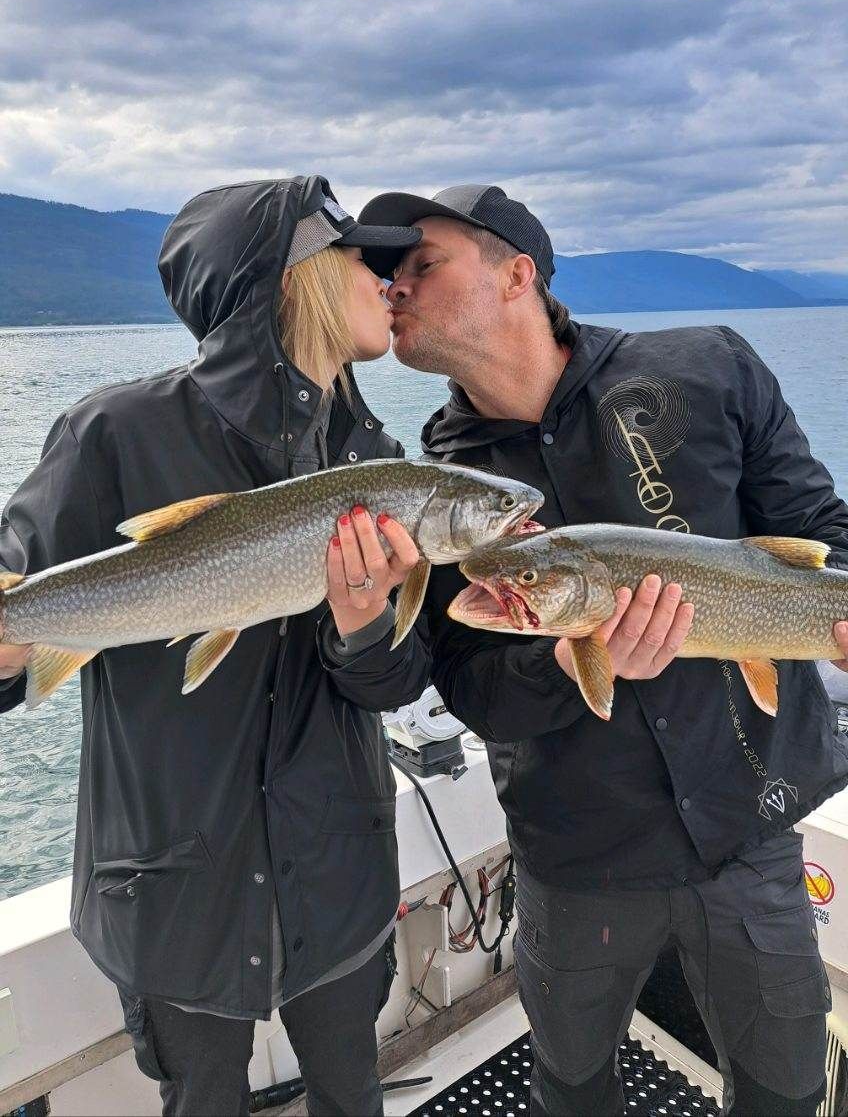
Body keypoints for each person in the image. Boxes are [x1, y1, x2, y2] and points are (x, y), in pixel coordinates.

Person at [358, 183, 848, 1115]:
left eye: (421, 265)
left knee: (786, 1090)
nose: (394, 288)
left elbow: (819, 529)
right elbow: (469, 686)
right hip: (574, 856)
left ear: (518, 273)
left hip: (750, 822)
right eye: (385, 275)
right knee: (574, 1090)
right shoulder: (438, 491)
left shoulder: (706, 366)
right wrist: (572, 659)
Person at [0, 175, 431, 1116]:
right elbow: (15, 619)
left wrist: (364, 630)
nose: (391, 279)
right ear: (293, 278)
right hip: (173, 887)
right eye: (367, 256)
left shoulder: (375, 460)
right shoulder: (113, 435)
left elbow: (397, 678)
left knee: (352, 1095)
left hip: (337, 873)